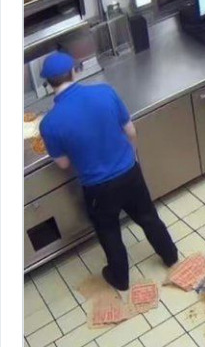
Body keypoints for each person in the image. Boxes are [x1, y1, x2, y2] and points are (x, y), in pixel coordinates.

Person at [38, 52, 178, 291]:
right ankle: (170, 256)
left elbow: (62, 164)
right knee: (148, 217)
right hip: (130, 173)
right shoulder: (105, 92)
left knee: (109, 231)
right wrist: (131, 157)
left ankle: (120, 278)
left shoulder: (49, 124)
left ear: (48, 84)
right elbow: (130, 131)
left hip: (98, 188)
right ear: (74, 71)